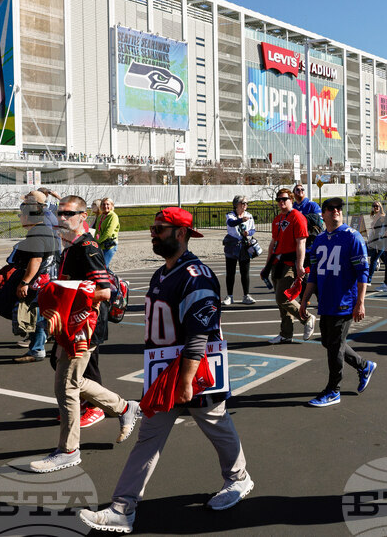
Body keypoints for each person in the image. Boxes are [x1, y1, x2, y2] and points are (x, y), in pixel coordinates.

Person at [79, 208, 253, 533]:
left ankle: (239, 478)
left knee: (217, 425)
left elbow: (198, 334)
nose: (154, 232)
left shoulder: (196, 275)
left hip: (194, 371)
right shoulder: (161, 274)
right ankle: (122, 508)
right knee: (148, 437)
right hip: (163, 372)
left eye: (161, 228)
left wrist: (186, 380)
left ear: (181, 234)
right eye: (153, 227)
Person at [29, 195, 140, 474]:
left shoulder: (87, 247)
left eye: (69, 214)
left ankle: (68, 450)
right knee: (72, 381)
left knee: (65, 386)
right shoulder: (69, 248)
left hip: (83, 327)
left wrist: (64, 295)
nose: (62, 218)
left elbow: (103, 291)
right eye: (60, 213)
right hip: (72, 326)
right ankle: (125, 408)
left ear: (82, 218)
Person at [299, 197, 376, 407]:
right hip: (326, 301)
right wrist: (304, 301)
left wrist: (360, 303)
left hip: (344, 301)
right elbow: (313, 274)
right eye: (331, 208)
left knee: (335, 347)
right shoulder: (321, 240)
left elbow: (363, 272)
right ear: (323, 214)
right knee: (330, 343)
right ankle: (364, 366)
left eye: (339, 208)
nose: (336, 211)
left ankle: (333, 390)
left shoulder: (353, 237)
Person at [12, 193, 59, 363]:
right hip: (51, 277)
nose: (20, 218)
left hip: (40, 281)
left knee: (36, 314)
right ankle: (42, 342)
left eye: (20, 215)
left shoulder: (36, 233)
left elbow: (36, 259)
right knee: (44, 313)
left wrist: (24, 282)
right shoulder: (47, 229)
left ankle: (37, 349)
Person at [267, 188, 310, 344]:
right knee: (281, 304)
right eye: (278, 199)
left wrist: (299, 266)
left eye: (284, 199)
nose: (281, 202)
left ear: (291, 199)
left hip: (290, 263)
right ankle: (286, 334)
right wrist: (267, 265)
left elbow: (301, 242)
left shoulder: (297, 217)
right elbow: (273, 242)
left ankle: (307, 317)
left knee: (283, 297)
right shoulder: (277, 219)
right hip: (277, 263)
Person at [222, 196, 257, 305]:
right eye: (243, 203)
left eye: (246, 203)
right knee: (230, 272)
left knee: (245, 272)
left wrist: (249, 233)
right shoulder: (230, 215)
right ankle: (229, 296)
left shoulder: (249, 215)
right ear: (236, 204)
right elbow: (231, 223)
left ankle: (246, 295)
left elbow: (253, 229)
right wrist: (241, 220)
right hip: (232, 245)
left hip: (244, 245)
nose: (245, 205)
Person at [95, 198, 120, 267]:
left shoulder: (113, 216)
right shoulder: (100, 216)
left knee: (103, 266)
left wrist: (98, 242)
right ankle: (109, 277)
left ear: (112, 206)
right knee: (101, 266)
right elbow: (97, 231)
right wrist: (94, 242)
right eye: (103, 204)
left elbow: (108, 233)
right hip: (101, 245)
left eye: (107, 204)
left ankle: (113, 278)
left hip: (109, 245)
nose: (105, 206)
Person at [362, 201, 385, 271]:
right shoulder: (375, 216)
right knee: (385, 260)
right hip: (374, 239)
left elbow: (383, 229)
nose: (375, 207)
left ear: (380, 207)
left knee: (373, 259)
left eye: (377, 206)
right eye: (373, 206)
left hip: (380, 240)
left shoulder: (382, 217)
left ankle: (369, 279)